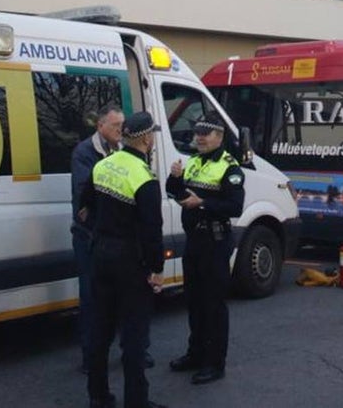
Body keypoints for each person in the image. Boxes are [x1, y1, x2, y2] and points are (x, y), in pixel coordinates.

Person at [80, 112, 167, 408]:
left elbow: (85, 207)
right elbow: (151, 230)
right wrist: (156, 268)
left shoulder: (102, 165)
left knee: (100, 330)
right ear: (145, 138)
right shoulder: (144, 177)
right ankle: (137, 402)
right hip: (130, 262)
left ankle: (99, 396)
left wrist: (100, 234)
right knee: (133, 337)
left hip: (101, 254)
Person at [166, 113, 245, 385]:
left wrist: (202, 204)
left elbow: (235, 207)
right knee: (194, 302)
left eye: (206, 132)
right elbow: (176, 192)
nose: (199, 136)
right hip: (195, 243)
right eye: (197, 131)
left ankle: (214, 363)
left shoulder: (230, 168)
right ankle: (195, 353)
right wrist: (175, 179)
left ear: (219, 137)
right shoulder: (194, 162)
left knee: (213, 305)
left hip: (215, 242)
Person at [72, 105, 137, 375]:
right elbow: (86, 198)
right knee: (92, 299)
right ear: (100, 126)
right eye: (114, 126)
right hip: (89, 237)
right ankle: (91, 359)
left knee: (124, 298)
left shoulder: (121, 150)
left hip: (114, 237)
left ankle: (131, 354)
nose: (120, 130)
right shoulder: (84, 152)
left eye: (122, 125)